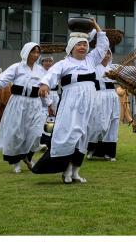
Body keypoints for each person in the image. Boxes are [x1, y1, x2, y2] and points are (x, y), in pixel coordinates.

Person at [34, 21, 110, 182]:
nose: (82, 47)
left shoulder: (91, 60)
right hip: (71, 103)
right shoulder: (63, 64)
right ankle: (66, 170)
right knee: (70, 134)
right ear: (71, 47)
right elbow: (51, 75)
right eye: (79, 45)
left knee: (83, 136)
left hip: (90, 103)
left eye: (85, 44)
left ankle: (76, 171)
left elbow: (103, 45)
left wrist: (96, 26)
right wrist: (44, 84)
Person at [0, 42, 46, 172]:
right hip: (18, 102)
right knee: (16, 133)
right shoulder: (16, 67)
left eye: (38, 52)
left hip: (35, 103)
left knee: (37, 133)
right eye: (33, 52)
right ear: (26, 52)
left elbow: (44, 87)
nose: (36, 55)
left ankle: (28, 156)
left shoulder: (40, 70)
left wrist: (48, 104)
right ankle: (15, 162)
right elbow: (2, 79)